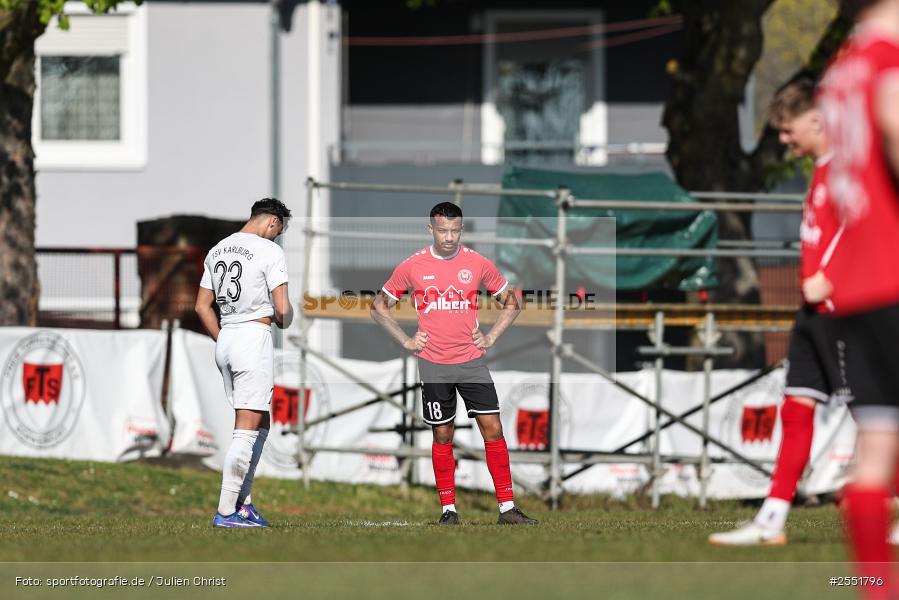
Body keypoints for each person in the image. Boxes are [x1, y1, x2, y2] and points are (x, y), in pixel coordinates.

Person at [709, 79, 851, 546]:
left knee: (875, 416)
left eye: (789, 129)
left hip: (848, 313)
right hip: (813, 314)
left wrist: (832, 277)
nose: (784, 139)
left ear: (817, 120)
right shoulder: (821, 170)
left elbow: (870, 232)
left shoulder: (851, 169)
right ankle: (771, 520)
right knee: (796, 407)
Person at [371, 202, 537, 525]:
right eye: (442, 230)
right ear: (430, 229)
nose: (449, 237)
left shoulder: (477, 263)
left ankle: (507, 508)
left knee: (493, 428)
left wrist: (491, 337)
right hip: (434, 364)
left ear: (462, 230)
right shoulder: (413, 266)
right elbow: (379, 306)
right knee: (443, 434)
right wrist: (406, 340)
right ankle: (449, 510)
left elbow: (512, 302)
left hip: (472, 362)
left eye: (455, 230)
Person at [812, 0, 899, 588]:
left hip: (858, 283)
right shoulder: (886, 60)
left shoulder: (839, 70)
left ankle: (875, 587)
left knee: (877, 446)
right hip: (893, 271)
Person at [195, 198, 293, 528]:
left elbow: (201, 306)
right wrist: (286, 317)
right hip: (252, 338)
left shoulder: (218, 249)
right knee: (246, 429)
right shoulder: (269, 251)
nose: (277, 237)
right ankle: (226, 512)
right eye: (279, 231)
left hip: (226, 339)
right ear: (273, 222)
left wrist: (223, 338)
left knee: (260, 421)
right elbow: (282, 310)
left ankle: (243, 503)